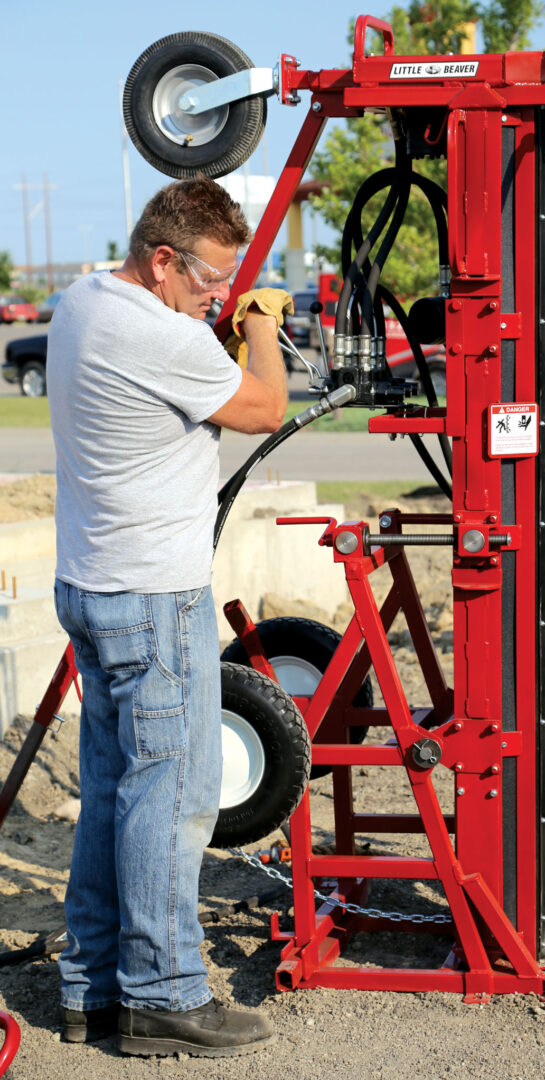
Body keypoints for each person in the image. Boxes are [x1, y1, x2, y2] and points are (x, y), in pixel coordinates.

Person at [47, 176, 289, 1058]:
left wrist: (208, 322)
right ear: (161, 261)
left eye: (228, 287)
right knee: (175, 798)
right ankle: (162, 993)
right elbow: (265, 406)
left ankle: (92, 985)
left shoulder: (85, 301)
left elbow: (177, 359)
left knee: (116, 792)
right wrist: (258, 326)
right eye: (210, 281)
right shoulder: (157, 333)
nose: (218, 297)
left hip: (93, 586)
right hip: (153, 598)